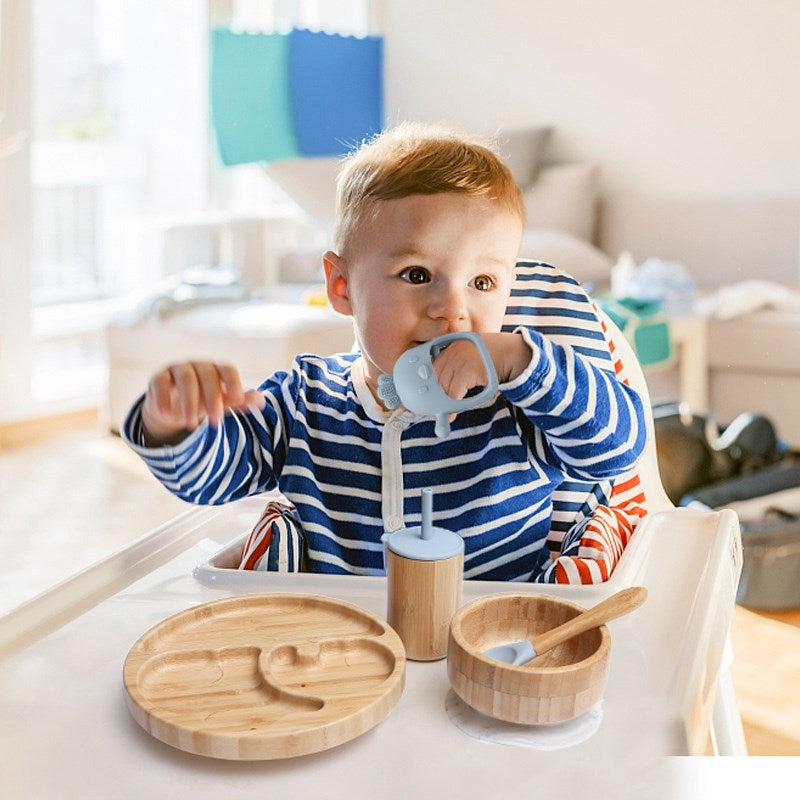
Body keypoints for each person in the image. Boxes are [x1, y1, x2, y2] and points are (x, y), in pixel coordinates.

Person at [123, 121, 646, 581]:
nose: (452, 310)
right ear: (342, 286)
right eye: (418, 275)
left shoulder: (518, 405)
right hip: (343, 655)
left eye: (483, 281)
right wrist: (174, 424)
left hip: (491, 645)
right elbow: (207, 481)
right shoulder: (303, 404)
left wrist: (522, 364)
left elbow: (617, 450)